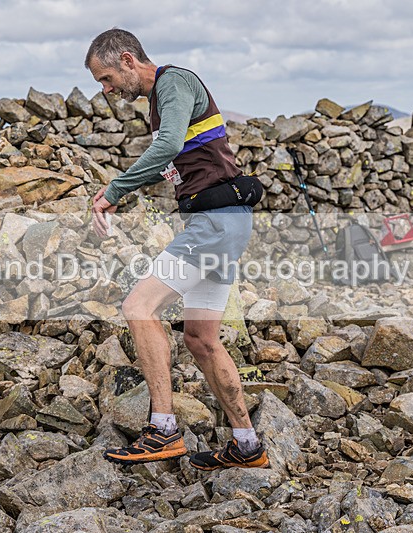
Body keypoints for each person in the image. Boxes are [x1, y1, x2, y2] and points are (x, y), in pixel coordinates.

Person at [84, 28, 269, 471]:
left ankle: (163, 430)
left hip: (214, 223)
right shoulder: (162, 100)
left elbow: (167, 146)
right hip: (225, 224)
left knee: (138, 307)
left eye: (106, 79)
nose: (107, 90)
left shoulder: (174, 83)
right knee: (201, 340)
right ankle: (247, 445)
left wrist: (114, 191)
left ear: (128, 59)